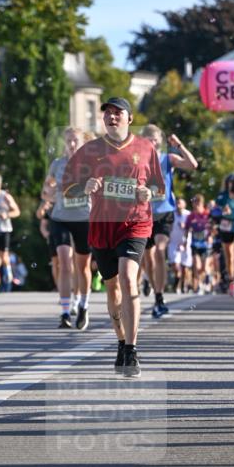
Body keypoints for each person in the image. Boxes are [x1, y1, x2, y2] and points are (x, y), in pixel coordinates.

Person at [62, 97, 164, 378]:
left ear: (129, 118)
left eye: (118, 113)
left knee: (128, 277)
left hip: (135, 223)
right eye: (107, 113)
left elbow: (159, 188)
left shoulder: (145, 148)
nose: (111, 117)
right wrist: (85, 186)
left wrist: (149, 193)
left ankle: (131, 349)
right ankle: (121, 341)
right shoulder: (90, 150)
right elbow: (67, 188)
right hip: (102, 226)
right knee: (112, 289)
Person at [141, 125, 198, 317]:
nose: (151, 142)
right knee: (147, 257)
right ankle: (149, 278)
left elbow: (192, 165)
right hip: (144, 214)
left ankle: (159, 297)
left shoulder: (167, 159)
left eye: (154, 139)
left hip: (164, 212)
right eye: (147, 139)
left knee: (159, 250)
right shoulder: (137, 161)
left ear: (159, 142)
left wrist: (179, 145)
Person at [41, 127, 93, 330]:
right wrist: (49, 191)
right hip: (60, 217)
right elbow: (46, 190)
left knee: (83, 266)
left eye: (75, 141)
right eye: (69, 141)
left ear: (82, 143)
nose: (72, 145)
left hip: (83, 218)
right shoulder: (57, 164)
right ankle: (64, 312)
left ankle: (83, 305)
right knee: (63, 261)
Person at [184, 194, 212, 294]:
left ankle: (207, 281)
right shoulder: (190, 216)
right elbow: (186, 230)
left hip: (206, 245)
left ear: (202, 203)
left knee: (204, 267)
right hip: (195, 244)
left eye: (197, 203)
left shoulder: (207, 214)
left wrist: (211, 236)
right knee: (196, 265)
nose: (195, 206)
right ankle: (199, 285)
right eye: (194, 203)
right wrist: (185, 241)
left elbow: (213, 227)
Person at [167, 197, 192, 294]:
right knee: (176, 266)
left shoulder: (188, 214)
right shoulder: (171, 214)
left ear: (184, 205)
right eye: (177, 203)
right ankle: (177, 282)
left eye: (180, 203)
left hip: (185, 244)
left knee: (185, 268)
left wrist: (186, 227)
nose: (178, 205)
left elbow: (193, 228)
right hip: (173, 243)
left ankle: (183, 285)